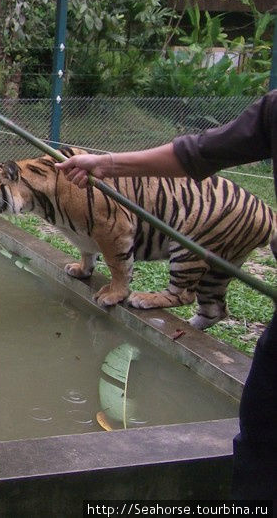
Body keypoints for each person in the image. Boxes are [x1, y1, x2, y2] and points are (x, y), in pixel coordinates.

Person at [55, 90, 277, 501]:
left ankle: (180, 295)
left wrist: (120, 283)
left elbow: (116, 231)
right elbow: (197, 152)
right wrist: (103, 163)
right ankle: (207, 313)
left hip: (217, 212)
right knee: (260, 434)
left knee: (261, 436)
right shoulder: (274, 109)